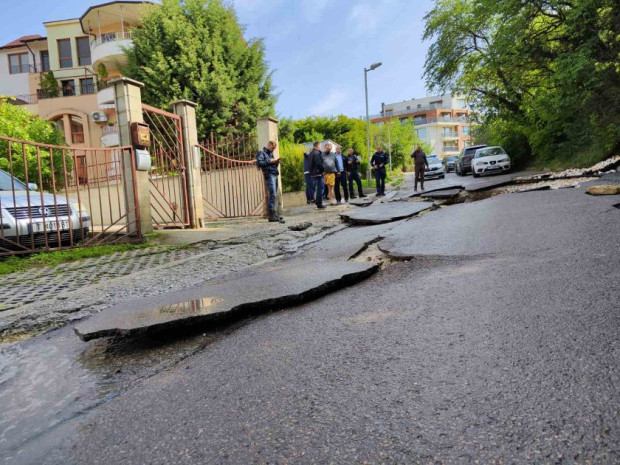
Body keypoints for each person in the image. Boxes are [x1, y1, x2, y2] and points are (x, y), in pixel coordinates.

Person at [256, 140, 285, 223]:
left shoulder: (270, 153)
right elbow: (260, 163)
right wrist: (270, 161)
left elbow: (270, 163)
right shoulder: (262, 153)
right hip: (269, 175)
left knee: (274, 194)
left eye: (274, 148)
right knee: (272, 193)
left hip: (274, 173)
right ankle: (271, 215)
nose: (273, 150)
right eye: (272, 148)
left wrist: (276, 162)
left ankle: (274, 214)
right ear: (269, 145)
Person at [309, 141, 325, 209]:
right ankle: (319, 204)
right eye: (320, 146)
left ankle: (318, 202)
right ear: (317, 146)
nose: (320, 147)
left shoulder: (311, 153)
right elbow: (318, 163)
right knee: (320, 188)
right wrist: (323, 170)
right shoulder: (316, 153)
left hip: (313, 173)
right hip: (318, 173)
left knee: (317, 188)